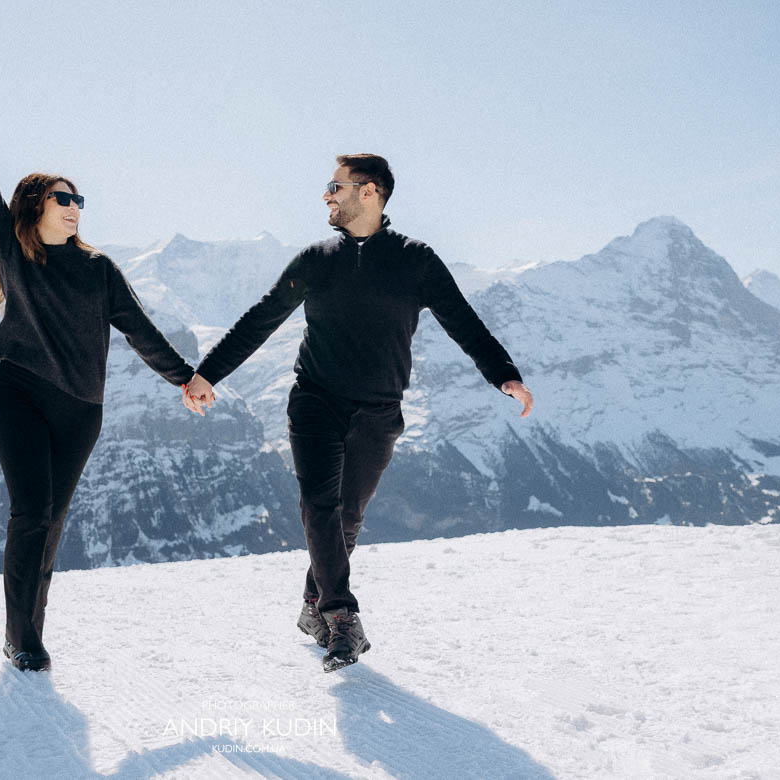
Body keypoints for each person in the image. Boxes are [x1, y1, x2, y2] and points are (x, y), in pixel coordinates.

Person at [183, 154, 533, 672]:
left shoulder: (416, 260)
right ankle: (343, 618)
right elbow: (262, 317)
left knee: (348, 518)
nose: (326, 196)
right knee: (320, 505)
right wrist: (207, 373)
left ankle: (312, 604)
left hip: (379, 409)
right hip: (315, 400)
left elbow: (463, 319)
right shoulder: (315, 260)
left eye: (335, 186)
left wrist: (503, 373)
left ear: (369, 192)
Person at [0, 44, 204, 671]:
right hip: (20, 395)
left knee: (51, 522)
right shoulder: (13, 252)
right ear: (36, 208)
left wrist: (186, 378)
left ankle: (31, 626)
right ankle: (22, 638)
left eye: (79, 198)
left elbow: (140, 329)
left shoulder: (99, 269)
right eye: (62, 197)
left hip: (80, 410)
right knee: (30, 510)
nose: (75, 206)